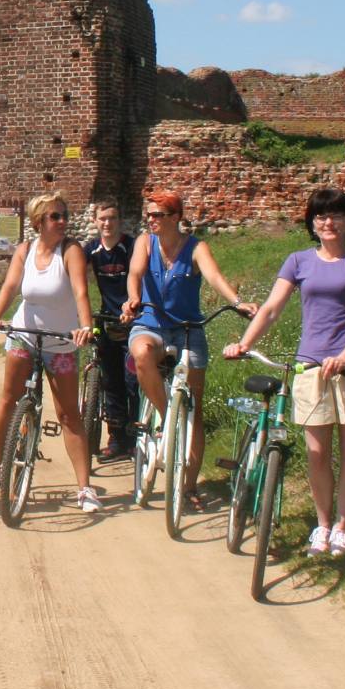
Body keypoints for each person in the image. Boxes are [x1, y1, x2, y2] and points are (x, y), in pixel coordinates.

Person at [224, 187, 345, 556]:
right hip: (311, 366)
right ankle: (322, 525)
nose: (328, 223)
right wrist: (244, 343)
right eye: (320, 216)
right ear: (312, 224)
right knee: (316, 451)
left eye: (335, 216)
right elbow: (270, 309)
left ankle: (342, 527)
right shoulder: (298, 261)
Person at [122, 191, 255, 510]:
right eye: (149, 215)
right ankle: (168, 414)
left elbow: (214, 277)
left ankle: (190, 484)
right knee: (141, 353)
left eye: (158, 215)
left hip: (187, 329)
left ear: (175, 217)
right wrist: (132, 299)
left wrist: (237, 303)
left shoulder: (197, 248)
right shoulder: (144, 242)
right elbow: (135, 273)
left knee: (194, 408)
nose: (151, 220)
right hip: (150, 323)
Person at [0, 193, 99, 512]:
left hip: (61, 341)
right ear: (38, 223)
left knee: (68, 414)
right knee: (8, 398)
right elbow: (9, 287)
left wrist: (85, 326)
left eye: (63, 215)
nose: (62, 221)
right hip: (25, 336)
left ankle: (85, 489)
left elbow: (80, 291)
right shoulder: (26, 251)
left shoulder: (71, 251)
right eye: (54, 217)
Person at [83, 201, 137, 460]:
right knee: (110, 380)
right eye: (102, 218)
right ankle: (116, 438)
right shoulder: (92, 250)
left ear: (119, 220)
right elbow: (73, 272)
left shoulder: (131, 246)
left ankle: (136, 436)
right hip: (106, 318)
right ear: (95, 221)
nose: (107, 223)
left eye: (112, 218)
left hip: (132, 320)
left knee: (132, 381)